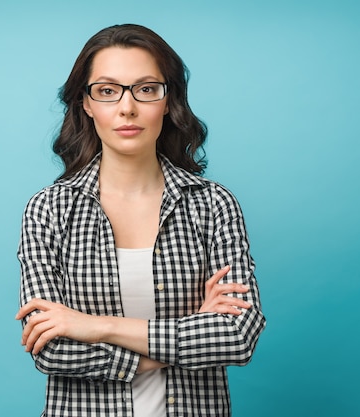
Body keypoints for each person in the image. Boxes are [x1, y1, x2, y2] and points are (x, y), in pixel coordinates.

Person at [15, 23, 266, 417]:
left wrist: (95, 326)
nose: (127, 107)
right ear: (86, 102)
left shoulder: (213, 205)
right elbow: (51, 349)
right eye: (107, 91)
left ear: (168, 101)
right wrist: (193, 329)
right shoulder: (49, 210)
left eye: (146, 89)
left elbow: (237, 336)